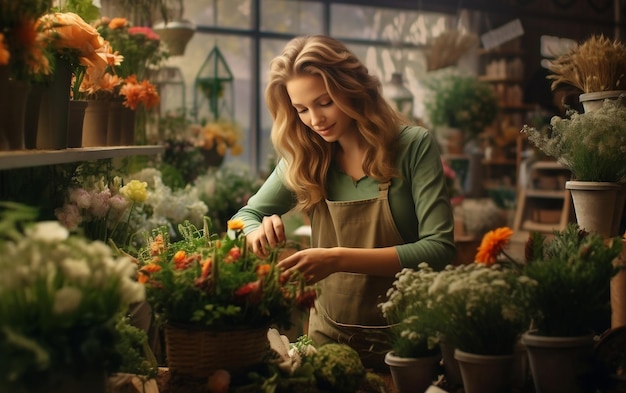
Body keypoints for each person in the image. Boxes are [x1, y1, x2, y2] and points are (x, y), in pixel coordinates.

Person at [231, 35, 456, 370]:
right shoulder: (305, 158)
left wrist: (337, 259)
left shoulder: (412, 146)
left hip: (409, 344)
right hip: (328, 341)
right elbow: (244, 216)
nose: (315, 120)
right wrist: (254, 233)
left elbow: (440, 250)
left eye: (324, 102)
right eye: (301, 110)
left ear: (352, 88)